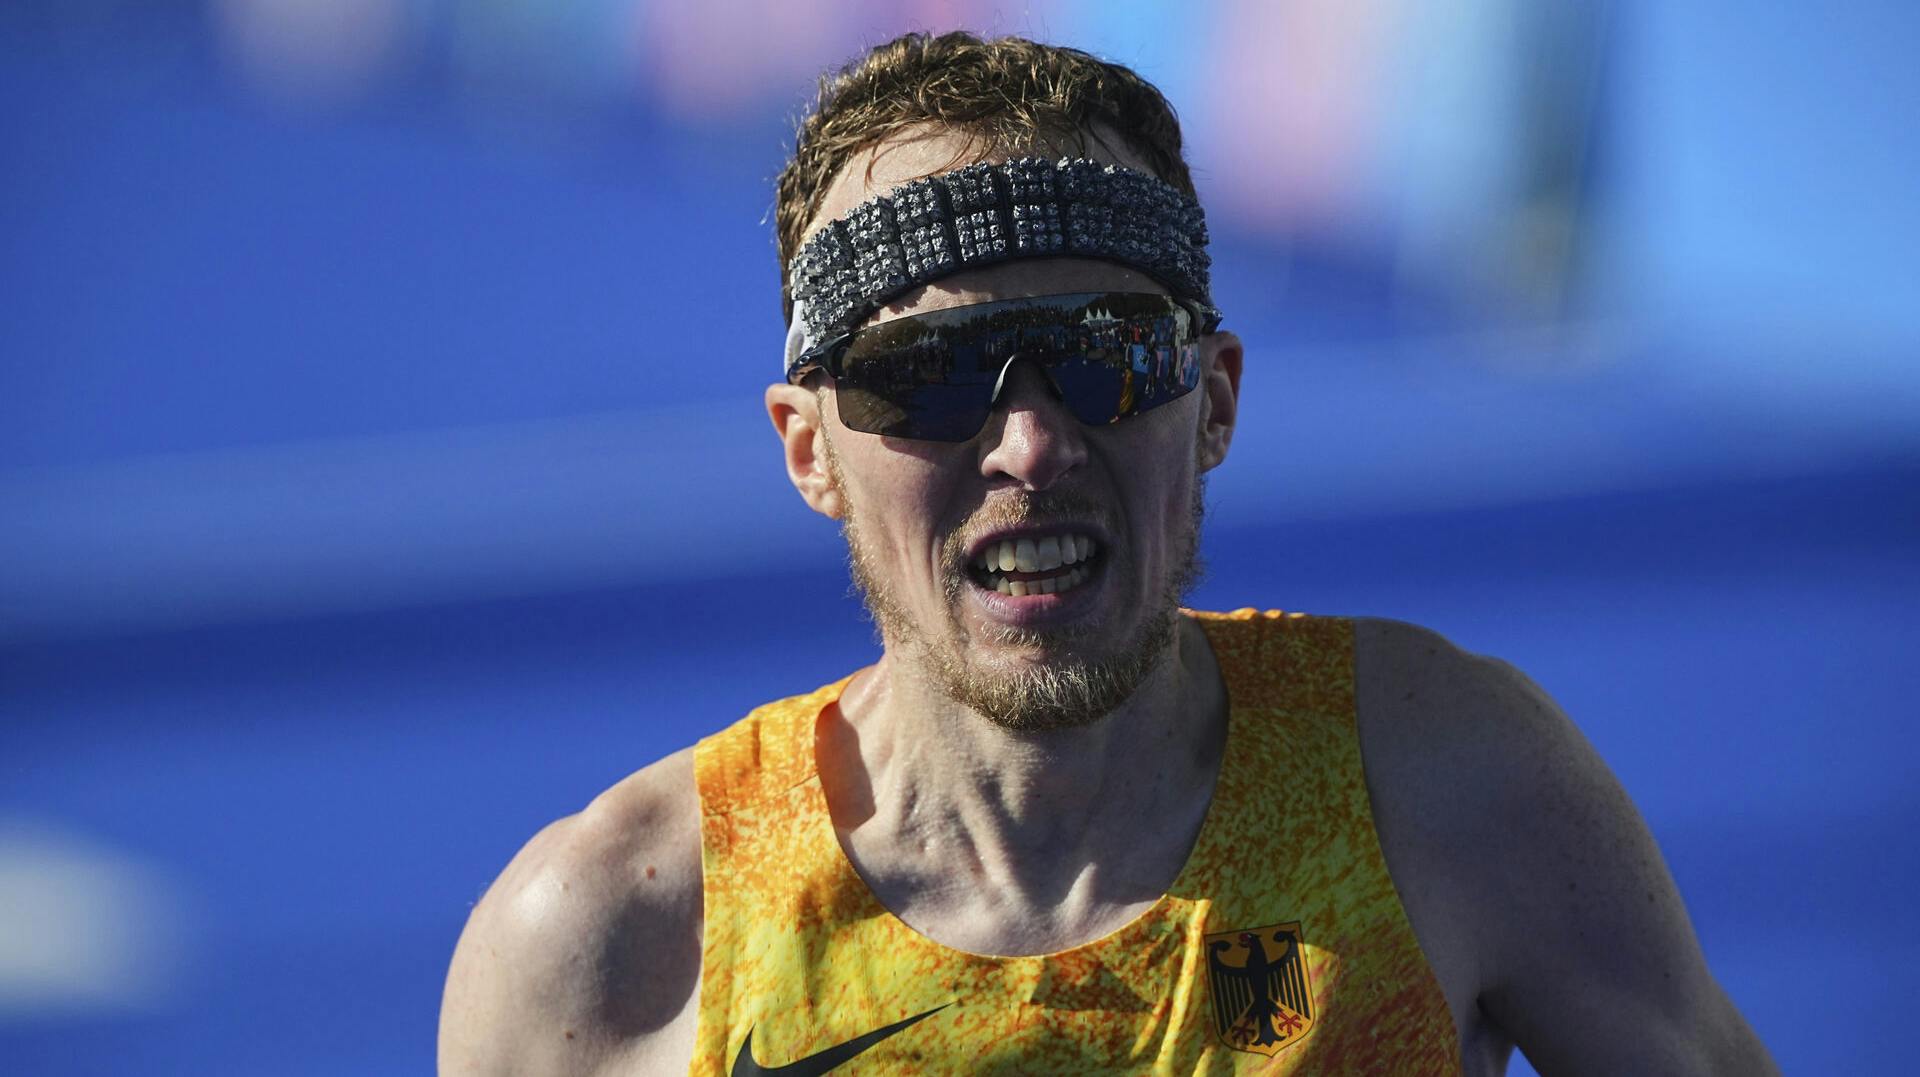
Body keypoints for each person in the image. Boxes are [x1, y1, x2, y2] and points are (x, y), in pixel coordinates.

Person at [438, 31, 1778, 1076]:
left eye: (1108, 355)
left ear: (1219, 400)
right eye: (931, 372)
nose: (1030, 440)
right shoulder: (612, 942)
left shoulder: (1449, 785)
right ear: (808, 448)